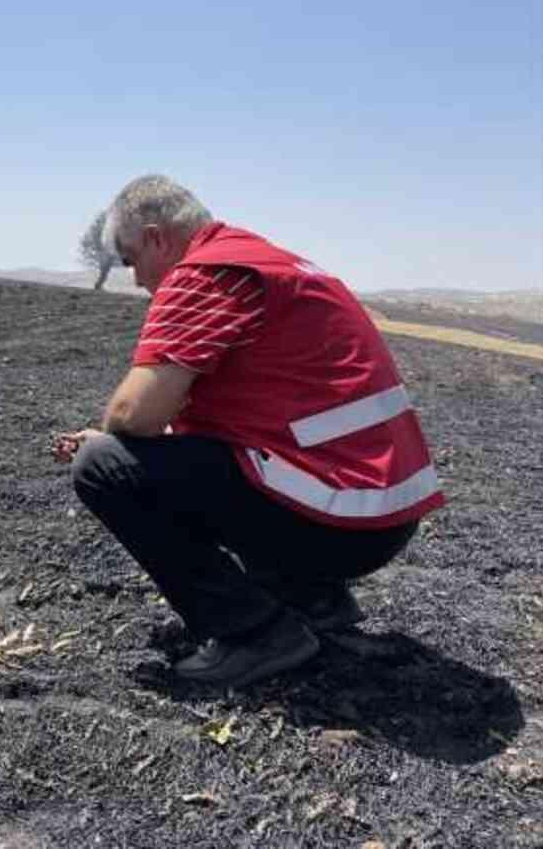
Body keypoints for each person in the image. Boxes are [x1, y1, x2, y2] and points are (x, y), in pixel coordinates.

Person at [53, 175, 444, 687]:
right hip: (381, 511)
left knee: (103, 467)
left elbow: (135, 415)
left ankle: (256, 633)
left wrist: (109, 441)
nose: (137, 280)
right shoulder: (274, 264)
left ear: (155, 238)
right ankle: (311, 596)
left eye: (130, 260)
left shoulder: (206, 273)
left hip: (342, 522)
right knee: (199, 460)